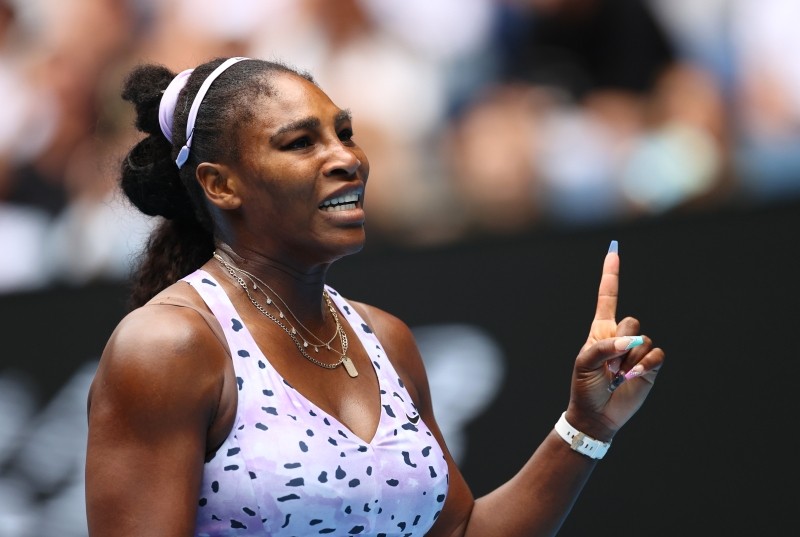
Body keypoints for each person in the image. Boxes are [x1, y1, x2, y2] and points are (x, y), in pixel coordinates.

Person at [84, 55, 665, 536]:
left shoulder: (386, 340)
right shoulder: (168, 346)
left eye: (344, 133)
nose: (346, 158)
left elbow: (461, 534)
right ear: (220, 184)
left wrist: (585, 425)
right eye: (300, 143)